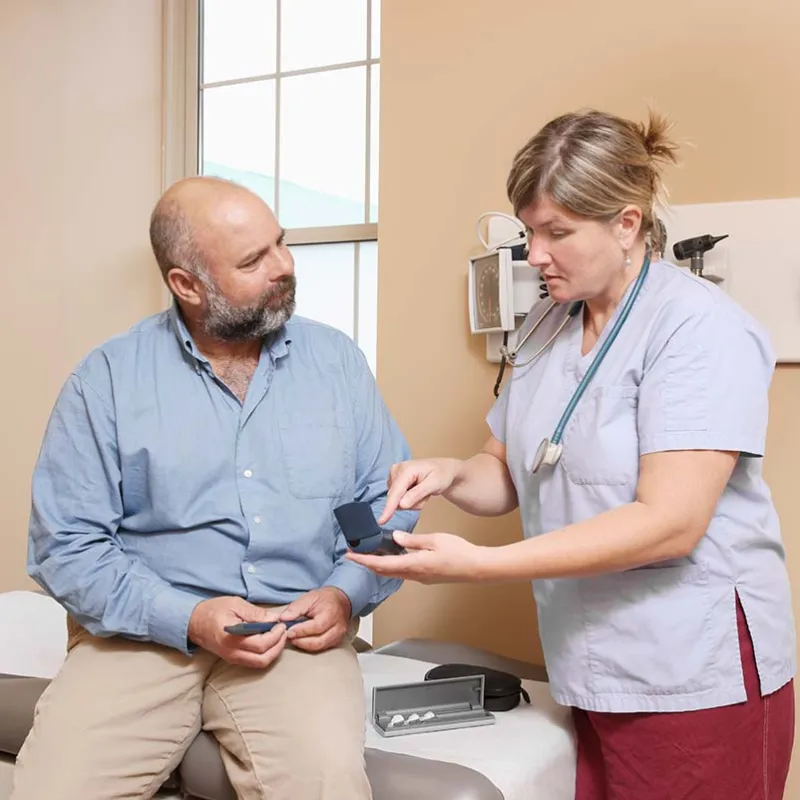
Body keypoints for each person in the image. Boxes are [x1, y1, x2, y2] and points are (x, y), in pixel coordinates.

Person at [348, 109, 796, 799]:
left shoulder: (697, 330)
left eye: (557, 232)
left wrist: (481, 565)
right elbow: (508, 469)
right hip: (591, 660)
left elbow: (670, 523)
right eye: (528, 230)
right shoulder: (552, 321)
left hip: (690, 668)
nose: (534, 254)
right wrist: (446, 474)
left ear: (626, 223)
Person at [13, 176, 417, 800]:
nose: (284, 266)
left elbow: (381, 508)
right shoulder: (107, 381)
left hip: (293, 636)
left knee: (327, 785)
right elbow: (65, 547)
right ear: (187, 284)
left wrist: (345, 594)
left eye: (280, 243)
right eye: (255, 260)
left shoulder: (336, 364)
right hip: (141, 638)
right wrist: (190, 617)